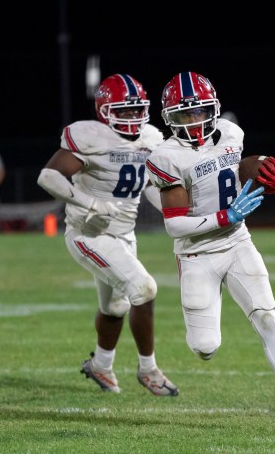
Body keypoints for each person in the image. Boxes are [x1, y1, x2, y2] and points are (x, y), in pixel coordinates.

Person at [145, 71, 275, 436]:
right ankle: (201, 329)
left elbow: (233, 168)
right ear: (169, 120)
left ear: (213, 110)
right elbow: (175, 225)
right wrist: (224, 215)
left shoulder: (231, 134)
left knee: (267, 318)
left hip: (237, 242)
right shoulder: (166, 157)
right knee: (206, 347)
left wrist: (262, 167)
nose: (194, 122)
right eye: (184, 116)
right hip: (196, 253)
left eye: (199, 113)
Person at [37, 73, 178, 396]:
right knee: (144, 288)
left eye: (135, 110)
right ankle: (149, 370)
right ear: (104, 110)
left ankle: (101, 365)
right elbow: (48, 177)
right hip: (88, 232)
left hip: (124, 234)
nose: (132, 117)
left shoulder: (152, 138)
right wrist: (90, 203)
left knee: (116, 307)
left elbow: (152, 186)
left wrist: (174, 214)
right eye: (123, 110)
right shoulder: (91, 137)